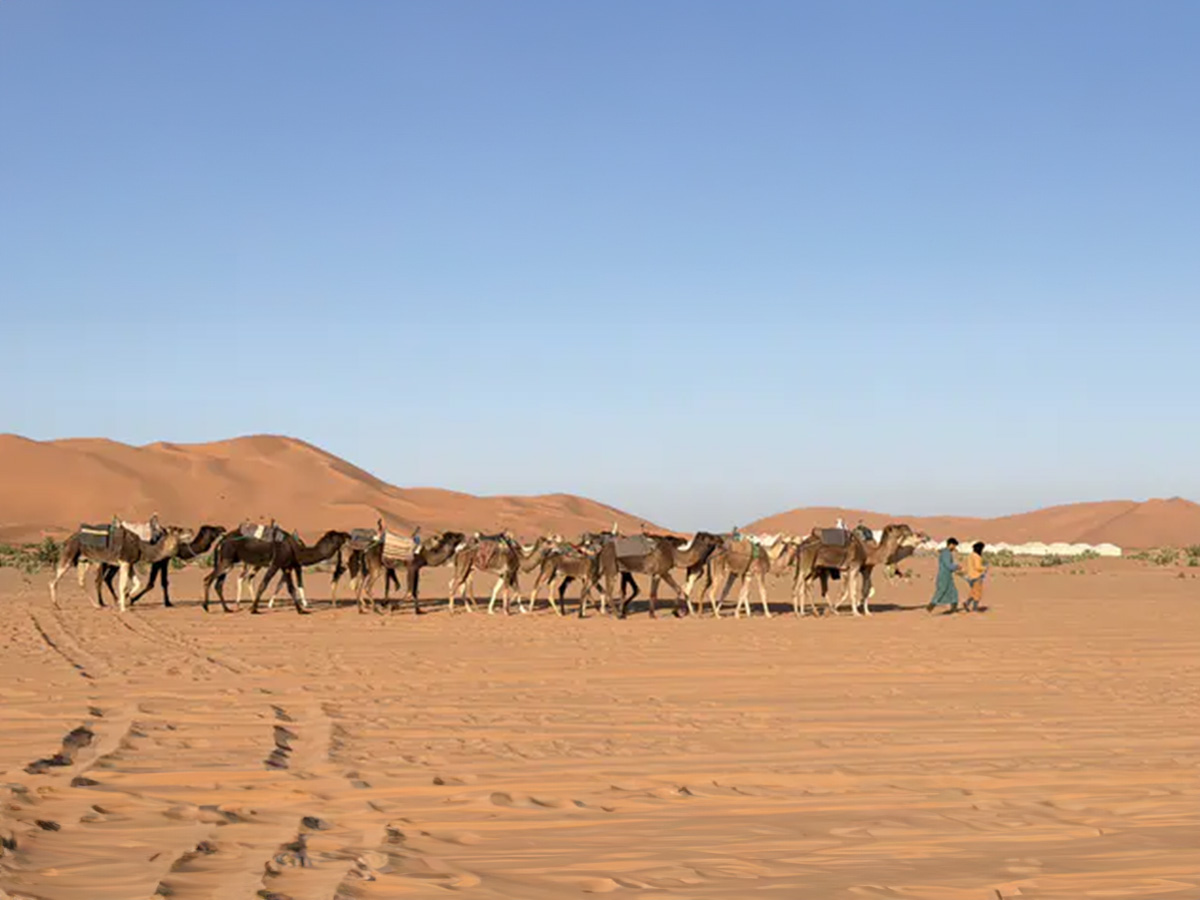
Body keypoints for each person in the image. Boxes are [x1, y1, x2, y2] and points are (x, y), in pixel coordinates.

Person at [927, 537, 962, 613]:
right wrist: (956, 566)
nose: (955, 547)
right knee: (941, 591)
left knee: (953, 592)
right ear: (951, 544)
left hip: (948, 576)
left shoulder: (946, 552)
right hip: (944, 576)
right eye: (954, 545)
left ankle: (954, 608)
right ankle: (931, 606)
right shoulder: (946, 553)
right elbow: (948, 565)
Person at [964, 541, 987, 611]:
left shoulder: (970, 555)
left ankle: (967, 603)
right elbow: (978, 567)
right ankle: (974, 607)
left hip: (970, 576)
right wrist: (985, 567)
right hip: (977, 576)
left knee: (973, 591)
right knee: (977, 593)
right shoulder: (977, 556)